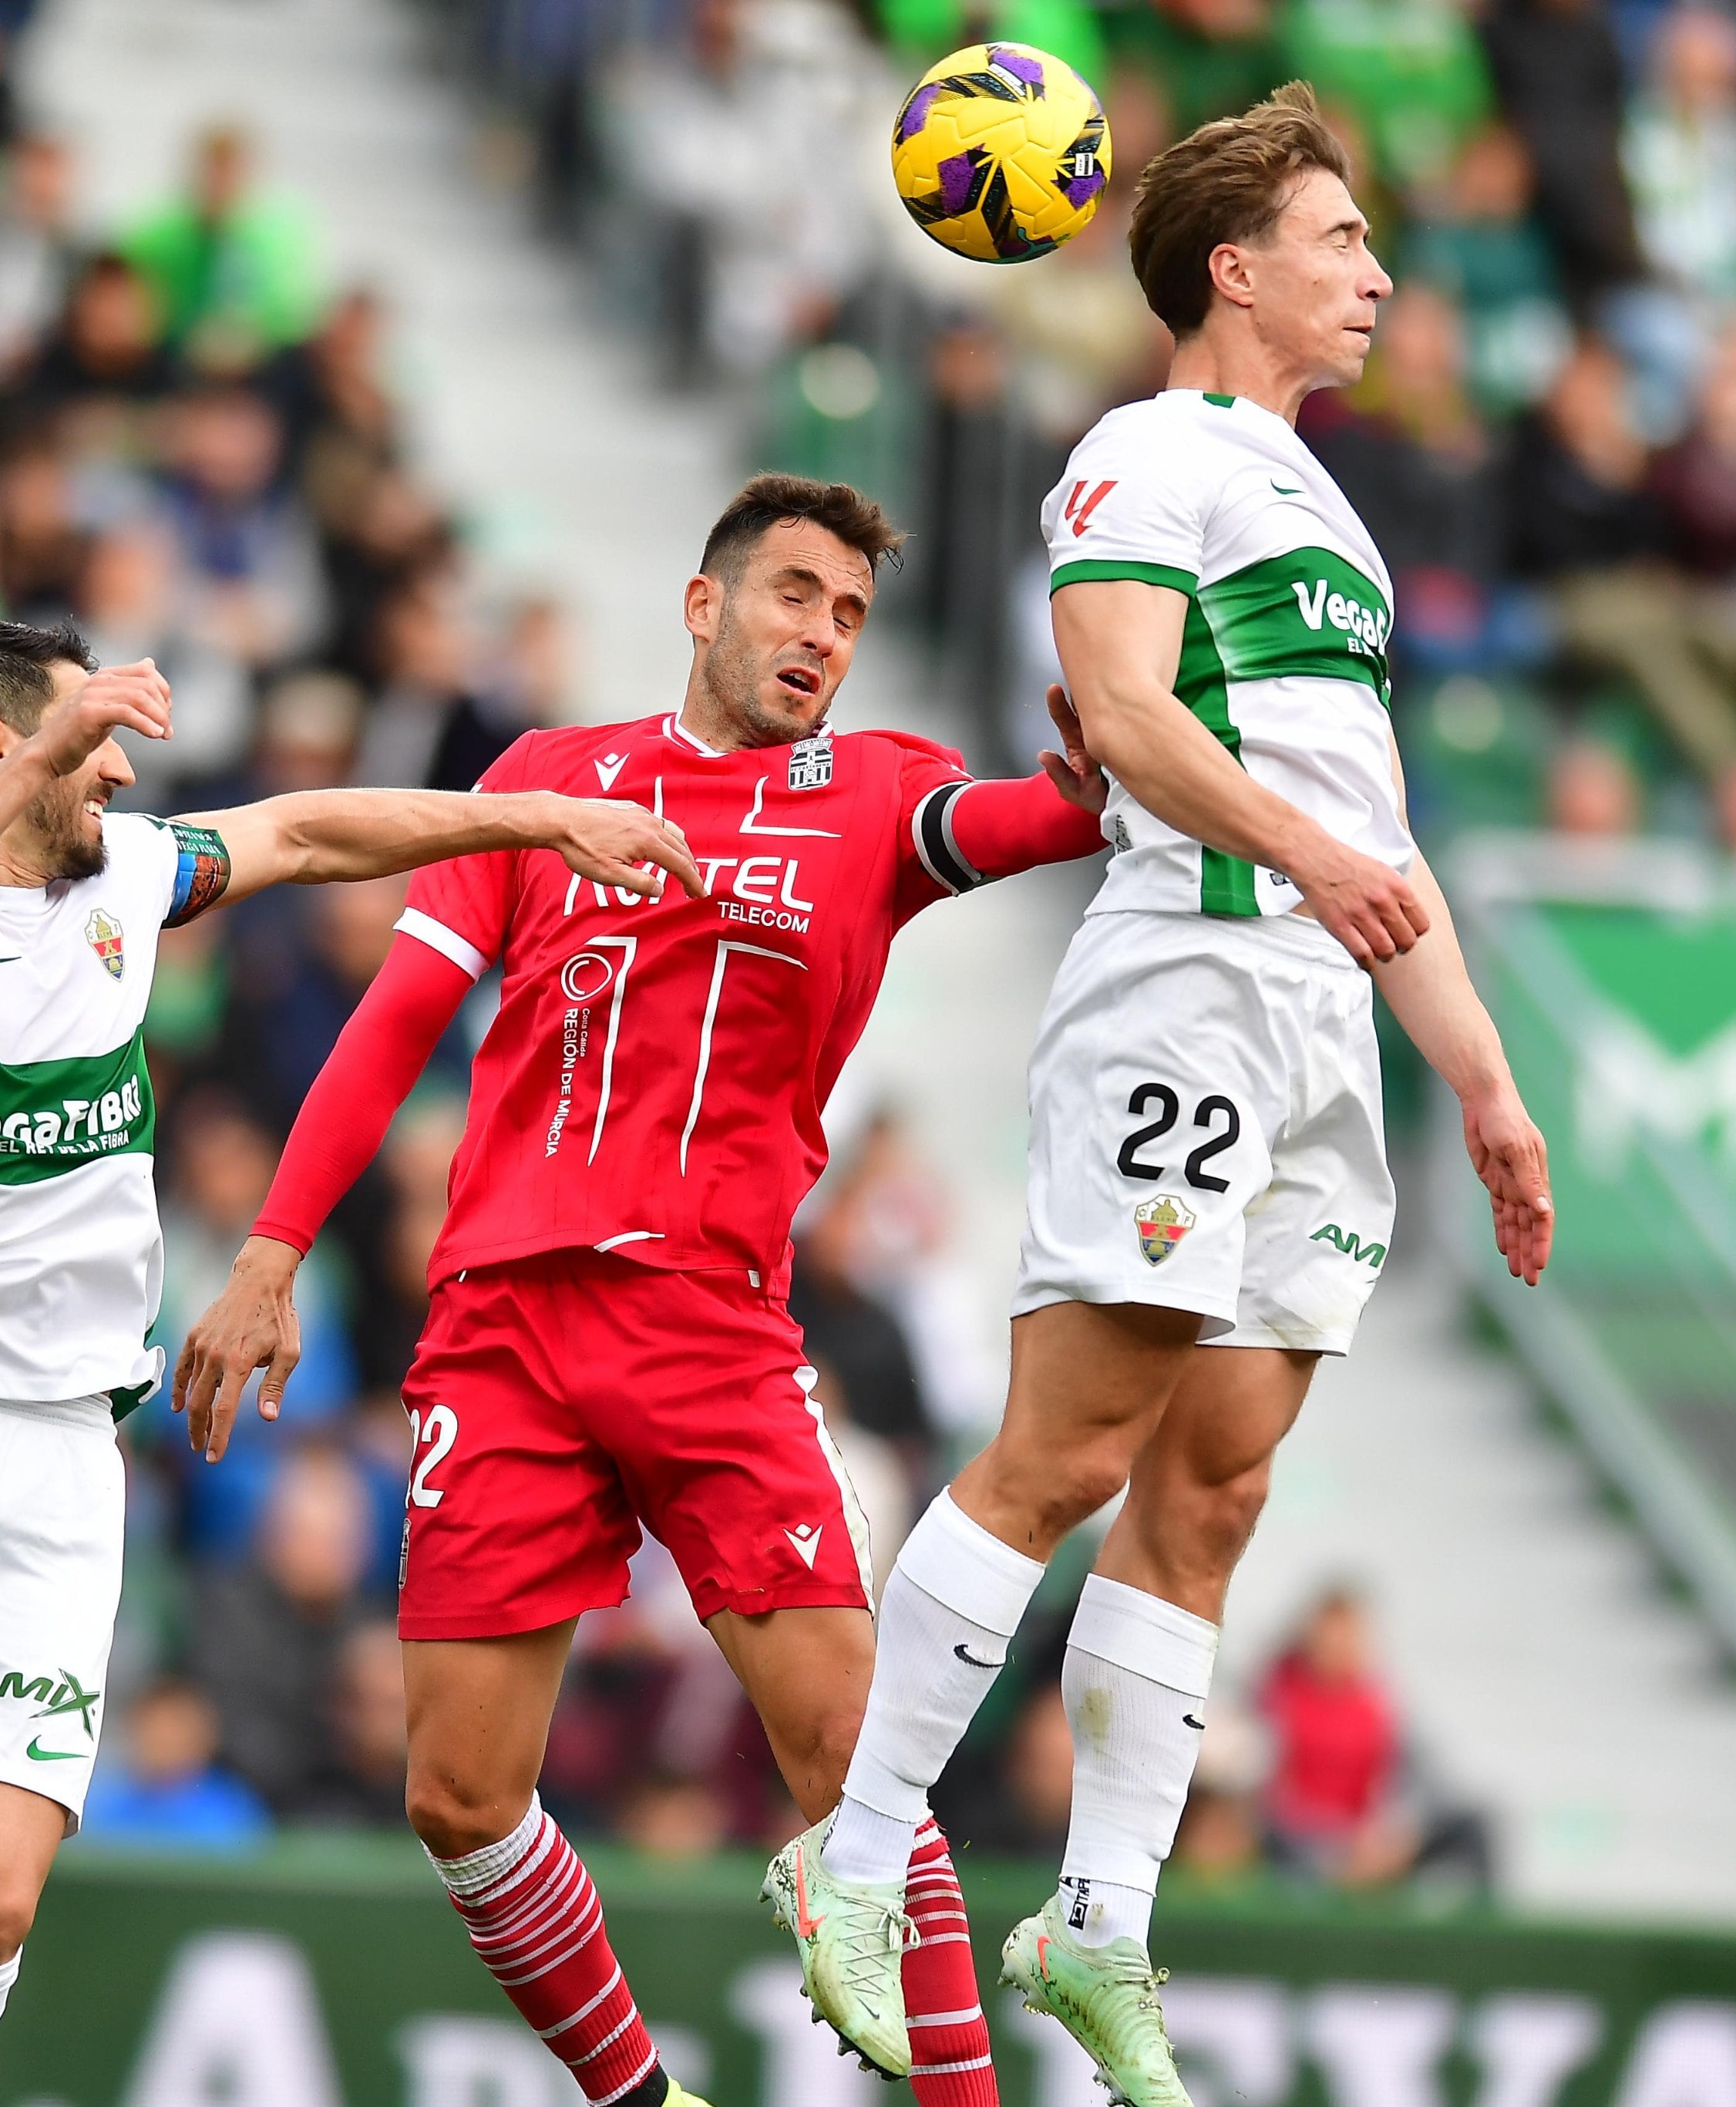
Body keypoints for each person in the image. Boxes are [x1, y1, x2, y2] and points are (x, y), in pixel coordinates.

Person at [0, 618, 698, 2107]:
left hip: (52, 1459)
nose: (114, 767)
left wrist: (540, 817)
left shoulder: (126, 878)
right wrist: (48, 743)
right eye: (82, 737)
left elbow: (305, 826)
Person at [772, 86, 1553, 2107]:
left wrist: (1484, 1086)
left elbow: (1377, 839)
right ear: (1235, 262)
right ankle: (855, 1857)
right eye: (1343, 237)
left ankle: (1098, 1916)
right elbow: (1120, 710)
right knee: (1069, 1444)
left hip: (1319, 1030)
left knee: (1214, 1487)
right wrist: (1304, 857)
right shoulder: (1145, 449)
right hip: (1194, 981)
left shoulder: (1332, 514)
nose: (1376, 274)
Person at [177, 471, 1112, 2103]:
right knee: (458, 1795)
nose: (819, 632)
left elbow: (1030, 815)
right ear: (704, 604)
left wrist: (1105, 775)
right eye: (793, 593)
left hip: (713, 1331)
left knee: (857, 1765)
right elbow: (395, 1019)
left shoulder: (873, 797)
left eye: (847, 614)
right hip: (500, 1330)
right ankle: (638, 2096)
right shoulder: (544, 784)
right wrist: (271, 1249)